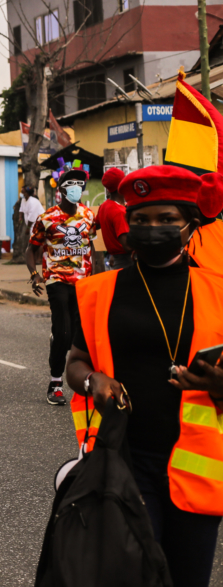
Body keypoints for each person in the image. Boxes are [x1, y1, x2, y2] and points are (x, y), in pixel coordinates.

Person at [65, 165, 223, 587]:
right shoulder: (99, 290)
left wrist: (218, 384)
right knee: (134, 575)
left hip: (198, 467)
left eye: (167, 220)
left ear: (190, 224)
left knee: (188, 578)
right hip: (124, 460)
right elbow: (75, 361)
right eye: (141, 220)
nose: (152, 229)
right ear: (126, 224)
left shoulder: (218, 290)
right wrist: (90, 382)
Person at [25, 167, 95, 406]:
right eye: (72, 184)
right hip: (57, 280)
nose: (77, 188)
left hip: (84, 283)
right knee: (64, 333)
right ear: (63, 189)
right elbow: (31, 250)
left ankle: (86, 378)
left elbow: (91, 248)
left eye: (80, 184)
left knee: (80, 334)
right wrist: (35, 274)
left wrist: (100, 278)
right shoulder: (47, 218)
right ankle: (55, 383)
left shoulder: (88, 216)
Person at [95, 167, 131, 270]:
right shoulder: (119, 212)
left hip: (114, 259)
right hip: (126, 262)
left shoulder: (104, 206)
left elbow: (96, 225)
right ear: (121, 186)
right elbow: (127, 246)